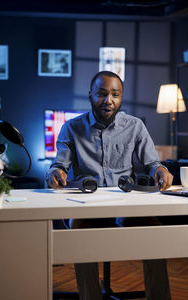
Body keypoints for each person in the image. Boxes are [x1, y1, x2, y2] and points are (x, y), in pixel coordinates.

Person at [46, 71, 173, 300]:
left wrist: (161, 170)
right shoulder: (71, 128)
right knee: (79, 240)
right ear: (91, 96)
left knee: (157, 236)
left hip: (127, 207)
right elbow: (60, 165)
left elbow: (152, 163)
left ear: (121, 96)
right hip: (86, 207)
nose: (109, 100)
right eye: (102, 94)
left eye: (115, 94)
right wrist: (56, 173)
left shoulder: (135, 126)